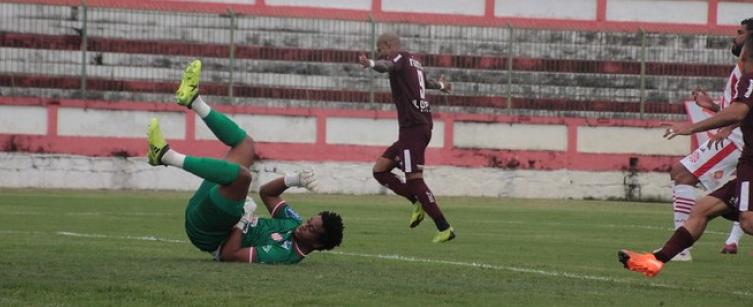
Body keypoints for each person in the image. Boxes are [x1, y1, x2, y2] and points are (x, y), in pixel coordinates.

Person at [147, 60, 343, 264]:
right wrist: (295, 180)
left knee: (242, 177)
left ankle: (165, 155)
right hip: (211, 209)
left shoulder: (285, 254)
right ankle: (193, 100)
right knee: (246, 145)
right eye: (310, 220)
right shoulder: (294, 222)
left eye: (311, 228)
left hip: (209, 233)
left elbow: (228, 255)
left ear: (318, 244)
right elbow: (267, 193)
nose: (304, 225)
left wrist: (242, 221)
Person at [618, 32, 753, 277]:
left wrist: (689, 128)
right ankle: (655, 261)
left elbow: (738, 111)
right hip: (748, 161)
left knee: (748, 221)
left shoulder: (750, 78)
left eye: (743, 43)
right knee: (702, 209)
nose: (739, 48)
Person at [667, 17, 753, 259]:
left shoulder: (748, 70)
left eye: (740, 33)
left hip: (737, 140)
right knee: (733, 205)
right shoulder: (742, 68)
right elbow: (740, 107)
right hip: (738, 136)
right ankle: (683, 246)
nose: (734, 37)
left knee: (682, 173)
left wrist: (702, 127)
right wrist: (714, 107)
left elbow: (741, 111)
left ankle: (680, 251)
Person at [358, 32, 455, 243]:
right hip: (416, 127)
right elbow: (425, 82)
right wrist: (441, 86)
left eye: (380, 49)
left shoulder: (399, 58)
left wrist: (372, 63)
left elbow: (387, 66)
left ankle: (444, 228)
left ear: (388, 45)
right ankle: (416, 201)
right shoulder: (415, 62)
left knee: (415, 178)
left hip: (413, 128)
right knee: (380, 170)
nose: (380, 53)